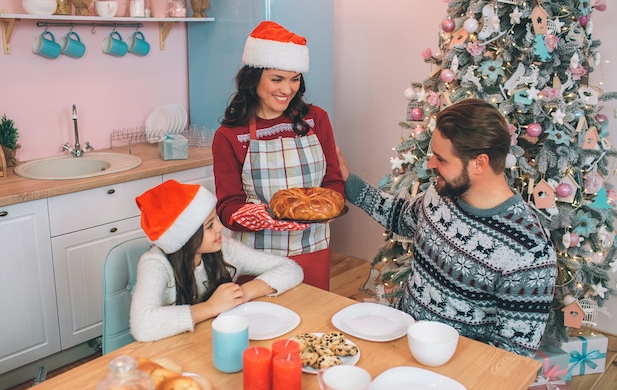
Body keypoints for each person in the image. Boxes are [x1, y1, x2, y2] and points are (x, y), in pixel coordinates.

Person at [337, 98, 557, 357]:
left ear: (479, 163)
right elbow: (400, 217)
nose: (431, 164)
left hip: (454, 374)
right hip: (402, 342)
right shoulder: (441, 194)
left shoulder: (530, 252)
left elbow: (512, 355)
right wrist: (347, 181)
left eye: (441, 158)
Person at [212, 21, 345, 291]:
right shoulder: (229, 136)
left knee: (312, 322)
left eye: (294, 79)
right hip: (259, 258)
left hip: (312, 247)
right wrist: (262, 217)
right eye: (277, 79)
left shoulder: (316, 119)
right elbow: (227, 207)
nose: (287, 89)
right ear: (253, 78)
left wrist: (333, 203)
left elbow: (333, 179)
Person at [130, 180, 303, 342]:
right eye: (210, 225)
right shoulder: (155, 263)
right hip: (175, 347)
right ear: (186, 237)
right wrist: (211, 307)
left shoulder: (225, 248)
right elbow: (142, 325)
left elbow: (291, 269)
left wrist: (242, 293)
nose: (220, 228)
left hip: (211, 340)